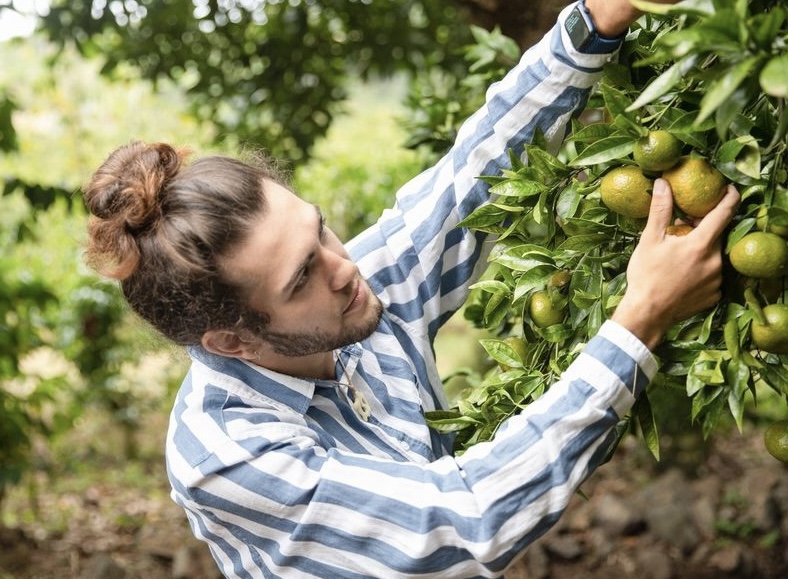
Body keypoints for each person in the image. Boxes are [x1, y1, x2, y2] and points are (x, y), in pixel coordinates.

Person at [81, 0, 740, 577]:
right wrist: (638, 321)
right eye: (302, 275)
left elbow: (466, 184)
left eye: (320, 232)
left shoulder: (345, 292)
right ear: (232, 339)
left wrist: (593, 22)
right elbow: (464, 523)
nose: (343, 266)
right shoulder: (226, 455)